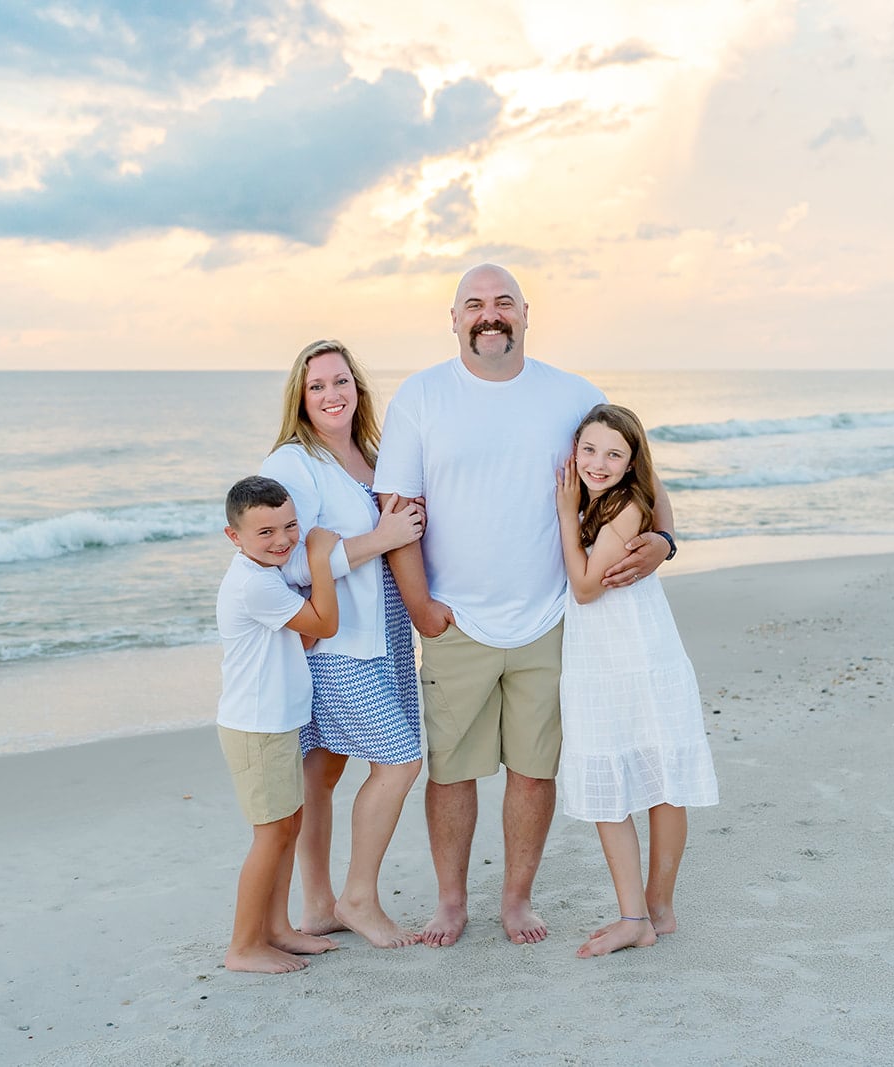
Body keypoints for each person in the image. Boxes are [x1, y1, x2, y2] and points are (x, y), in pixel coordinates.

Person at [374, 263, 676, 947]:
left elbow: (642, 474)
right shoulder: (421, 398)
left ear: (525, 313)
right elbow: (397, 510)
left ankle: (517, 899)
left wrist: (663, 538)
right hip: (457, 620)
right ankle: (451, 902)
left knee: (533, 770)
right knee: (451, 771)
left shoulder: (571, 395)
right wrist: (421, 606)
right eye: (474, 304)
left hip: (552, 617)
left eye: (503, 302)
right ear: (453, 318)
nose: (490, 314)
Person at [259, 340, 427, 949]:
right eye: (317, 386)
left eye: (341, 381)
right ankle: (358, 898)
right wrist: (381, 538)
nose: (332, 395)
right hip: (337, 644)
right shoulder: (291, 465)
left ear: (358, 387)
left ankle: (319, 905)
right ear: (300, 400)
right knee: (400, 760)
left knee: (322, 769)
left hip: (387, 637)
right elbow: (293, 562)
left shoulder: (373, 455)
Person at [554, 404, 719, 957]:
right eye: (589, 450)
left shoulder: (621, 507)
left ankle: (642, 914)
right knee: (641, 774)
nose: (598, 463)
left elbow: (584, 586)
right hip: (617, 653)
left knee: (638, 778)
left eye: (614, 454)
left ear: (632, 463)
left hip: (626, 656)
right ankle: (651, 911)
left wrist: (563, 514)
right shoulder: (612, 498)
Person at [214, 475, 343, 973]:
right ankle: (243, 946)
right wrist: (319, 556)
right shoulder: (255, 583)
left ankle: (277, 929)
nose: (282, 539)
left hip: (276, 721)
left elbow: (303, 638)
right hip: (255, 726)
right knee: (271, 834)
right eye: (265, 532)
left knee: (287, 825)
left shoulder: (266, 576)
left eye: (290, 526)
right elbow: (324, 625)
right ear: (235, 537)